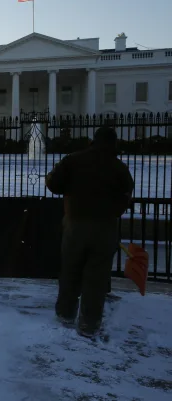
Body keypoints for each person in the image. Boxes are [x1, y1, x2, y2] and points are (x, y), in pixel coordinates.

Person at [45, 126, 134, 338]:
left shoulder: (73, 160)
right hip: (104, 228)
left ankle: (65, 313)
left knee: (70, 270)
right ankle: (90, 323)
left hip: (75, 225)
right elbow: (126, 195)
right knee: (97, 277)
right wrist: (113, 211)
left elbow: (53, 183)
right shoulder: (118, 167)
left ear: (94, 140)